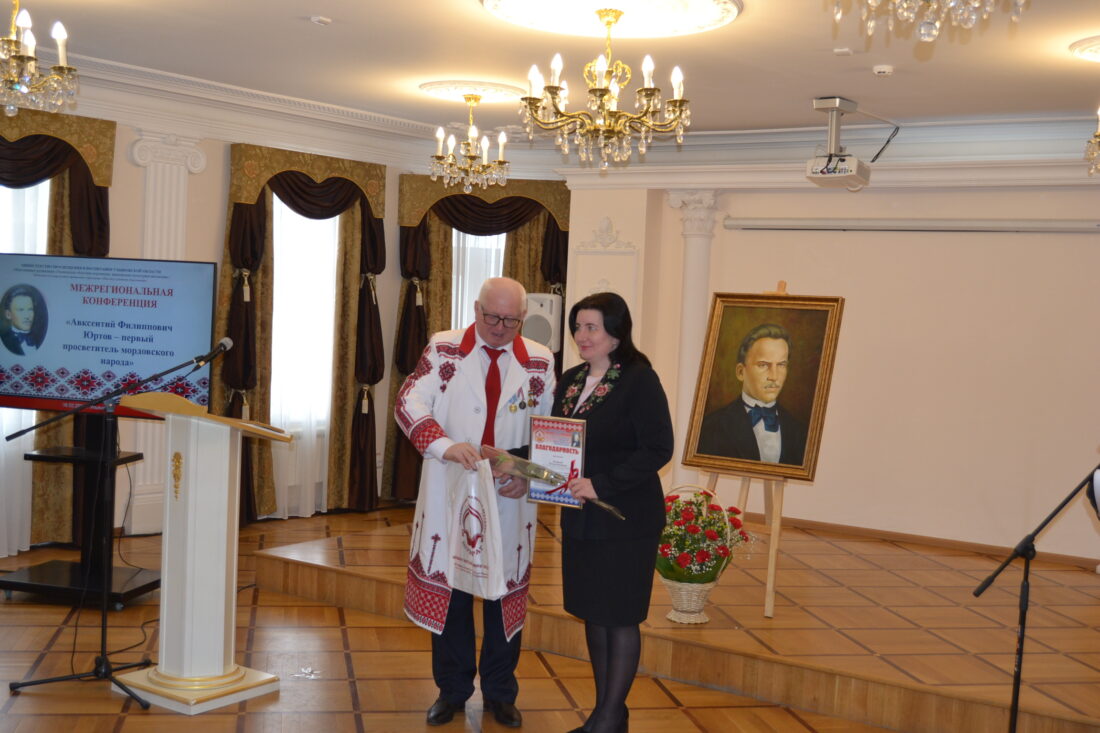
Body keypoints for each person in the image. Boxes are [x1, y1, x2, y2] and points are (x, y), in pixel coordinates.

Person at [395, 277, 556, 728]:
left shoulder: (540, 360)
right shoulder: (444, 348)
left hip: (508, 495)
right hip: (451, 487)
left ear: (523, 318)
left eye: (511, 320)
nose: (500, 328)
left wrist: (528, 478)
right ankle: (452, 691)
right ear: (475, 308)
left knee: (503, 594)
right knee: (452, 592)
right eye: (492, 317)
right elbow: (408, 402)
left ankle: (501, 693)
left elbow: (550, 430)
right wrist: (445, 446)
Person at [555, 292, 674, 733]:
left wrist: (601, 484)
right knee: (595, 612)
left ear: (616, 332)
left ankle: (607, 719)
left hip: (627, 519)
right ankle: (609, 714)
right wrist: (511, 461)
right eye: (578, 327)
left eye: (592, 327)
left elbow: (659, 448)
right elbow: (555, 442)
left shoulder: (639, 379)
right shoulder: (570, 380)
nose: (581, 335)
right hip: (582, 518)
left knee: (620, 616)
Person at [697, 323, 807, 465]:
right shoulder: (712, 427)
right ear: (740, 372)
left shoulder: (799, 431)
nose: (774, 377)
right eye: (763, 365)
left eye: (781, 365)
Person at [0, 284, 46, 356]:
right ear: (8, 314)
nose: (27, 316)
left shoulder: (38, 338)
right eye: (21, 310)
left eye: (30, 309)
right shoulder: (5, 341)